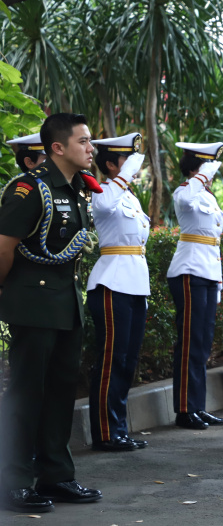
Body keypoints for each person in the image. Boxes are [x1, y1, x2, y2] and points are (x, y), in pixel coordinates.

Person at [0, 113, 103, 513]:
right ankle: (13, 481)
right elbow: (5, 246)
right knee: (26, 394)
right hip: (33, 303)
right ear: (57, 148)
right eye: (84, 142)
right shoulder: (29, 189)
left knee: (60, 393)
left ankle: (56, 476)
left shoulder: (77, 190)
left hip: (65, 304)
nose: (91, 148)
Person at [87, 133, 150, 452]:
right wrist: (124, 176)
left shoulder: (131, 198)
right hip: (111, 284)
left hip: (135, 283)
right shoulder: (103, 192)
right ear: (111, 165)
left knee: (127, 360)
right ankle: (105, 432)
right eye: (127, 160)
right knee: (112, 359)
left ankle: (120, 428)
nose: (134, 167)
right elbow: (105, 203)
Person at [166, 141, 223, 430]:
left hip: (207, 271)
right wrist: (202, 174)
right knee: (190, 342)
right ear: (195, 168)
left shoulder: (209, 197)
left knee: (202, 343)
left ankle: (198, 406)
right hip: (189, 270)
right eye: (207, 167)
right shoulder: (185, 192)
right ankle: (184, 409)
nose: (212, 174)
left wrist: (217, 280)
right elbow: (188, 201)